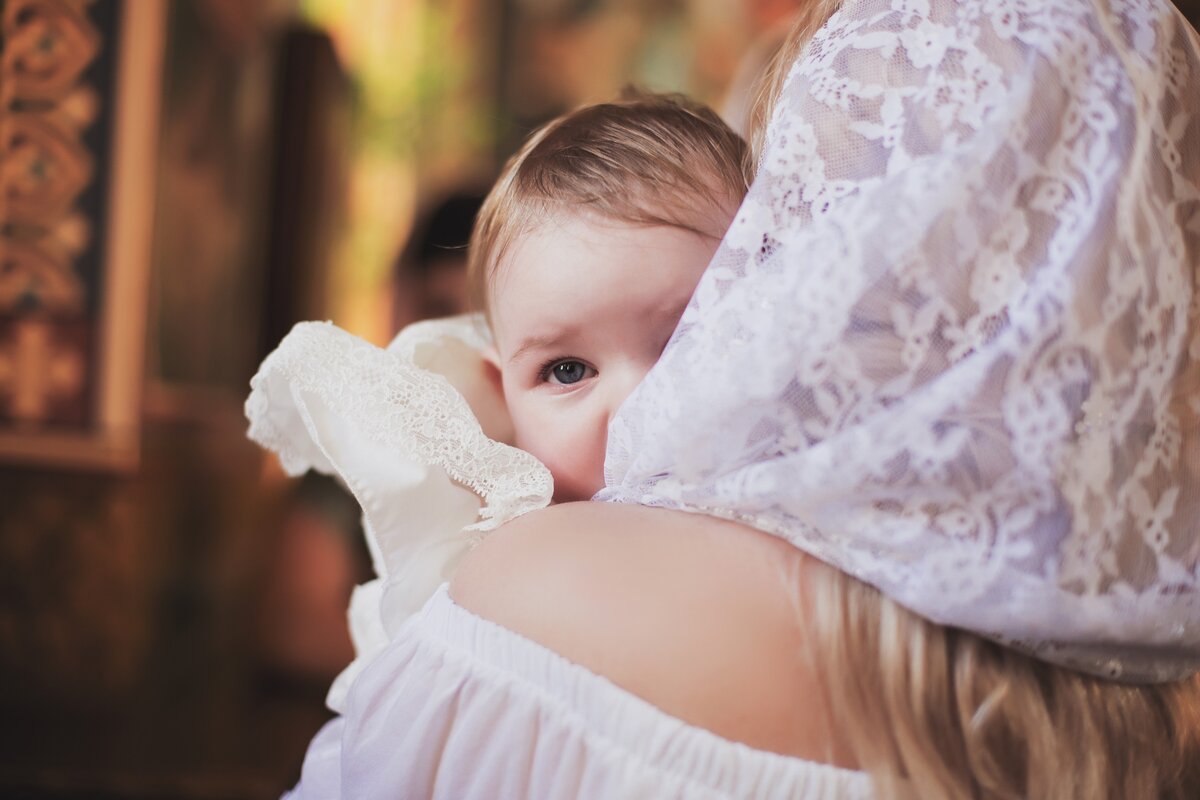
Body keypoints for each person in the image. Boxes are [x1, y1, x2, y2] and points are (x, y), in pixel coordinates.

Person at [272, 0, 1200, 797]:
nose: (636, 405)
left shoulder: (537, 589)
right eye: (567, 370)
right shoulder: (1147, 679)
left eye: (687, 335)